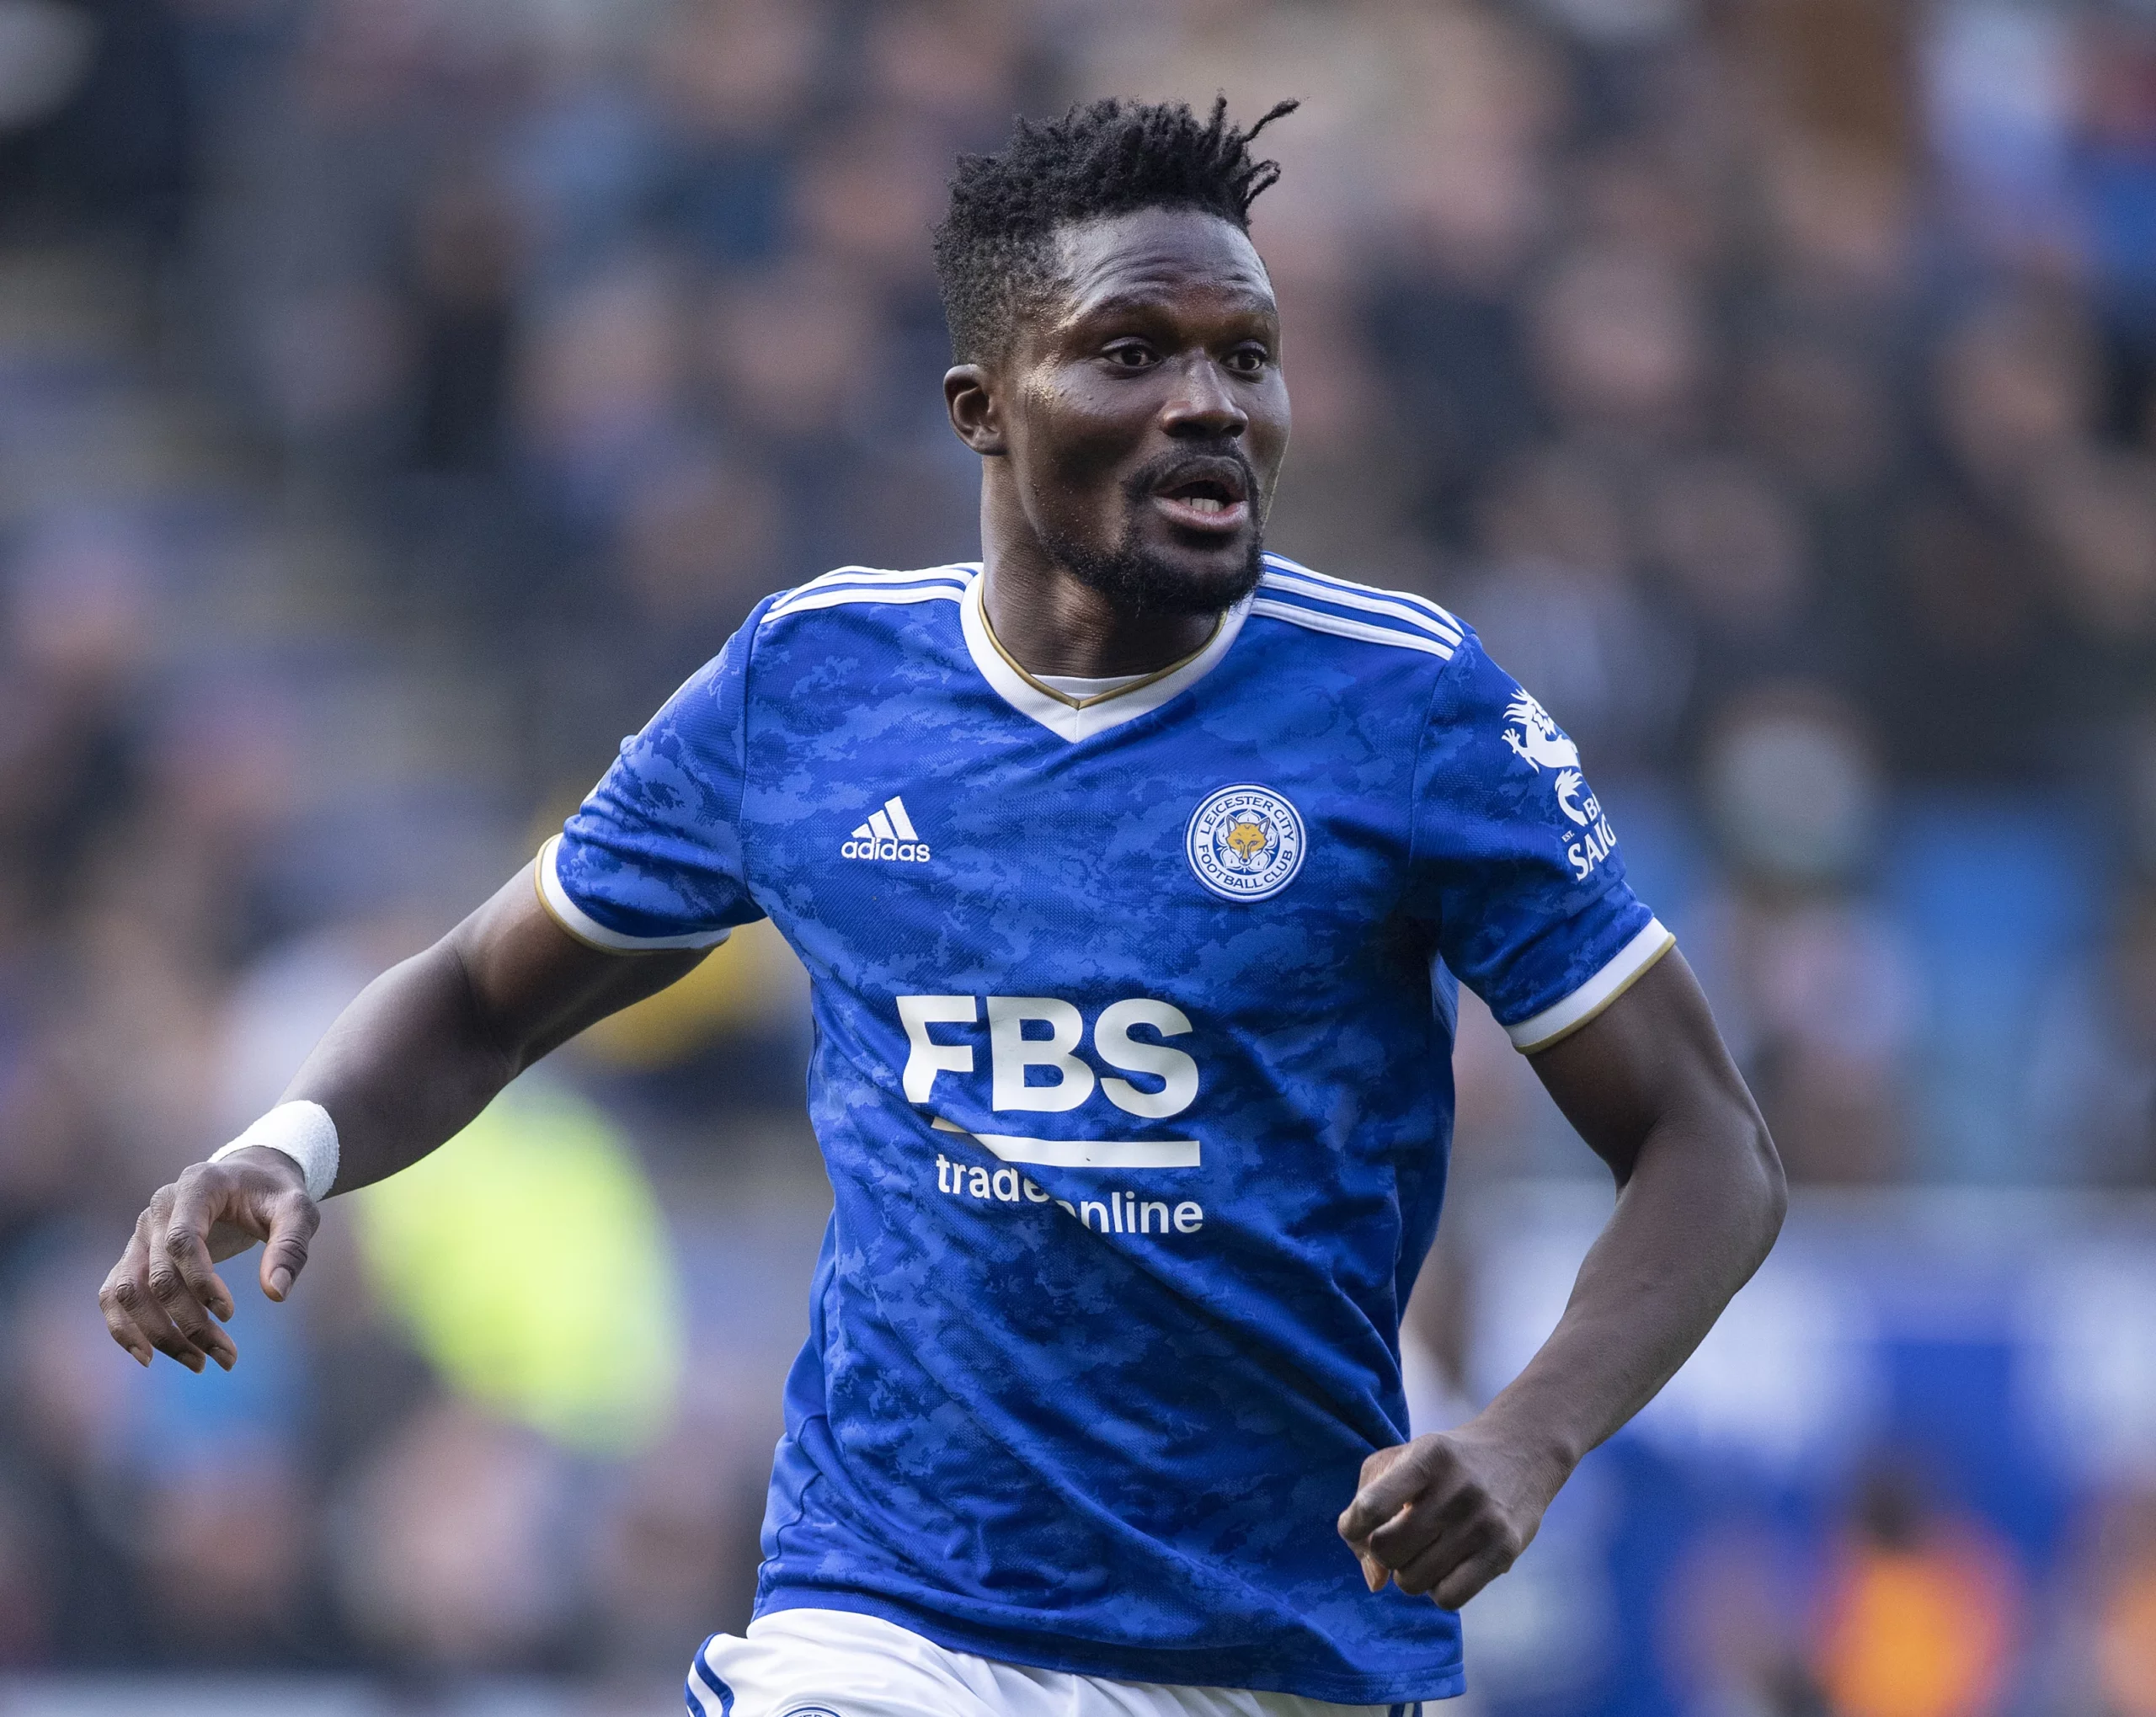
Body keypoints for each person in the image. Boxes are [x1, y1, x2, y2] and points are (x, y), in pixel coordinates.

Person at [99, 99, 1785, 1714]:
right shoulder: (811, 684)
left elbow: (1706, 1143)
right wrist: (294, 1140)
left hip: (1264, 1640)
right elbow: (484, 992)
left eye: (1246, 355)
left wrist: (1527, 1433)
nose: (1209, 403)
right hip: (885, 1609)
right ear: (982, 406)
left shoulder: (1406, 709)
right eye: (1133, 352)